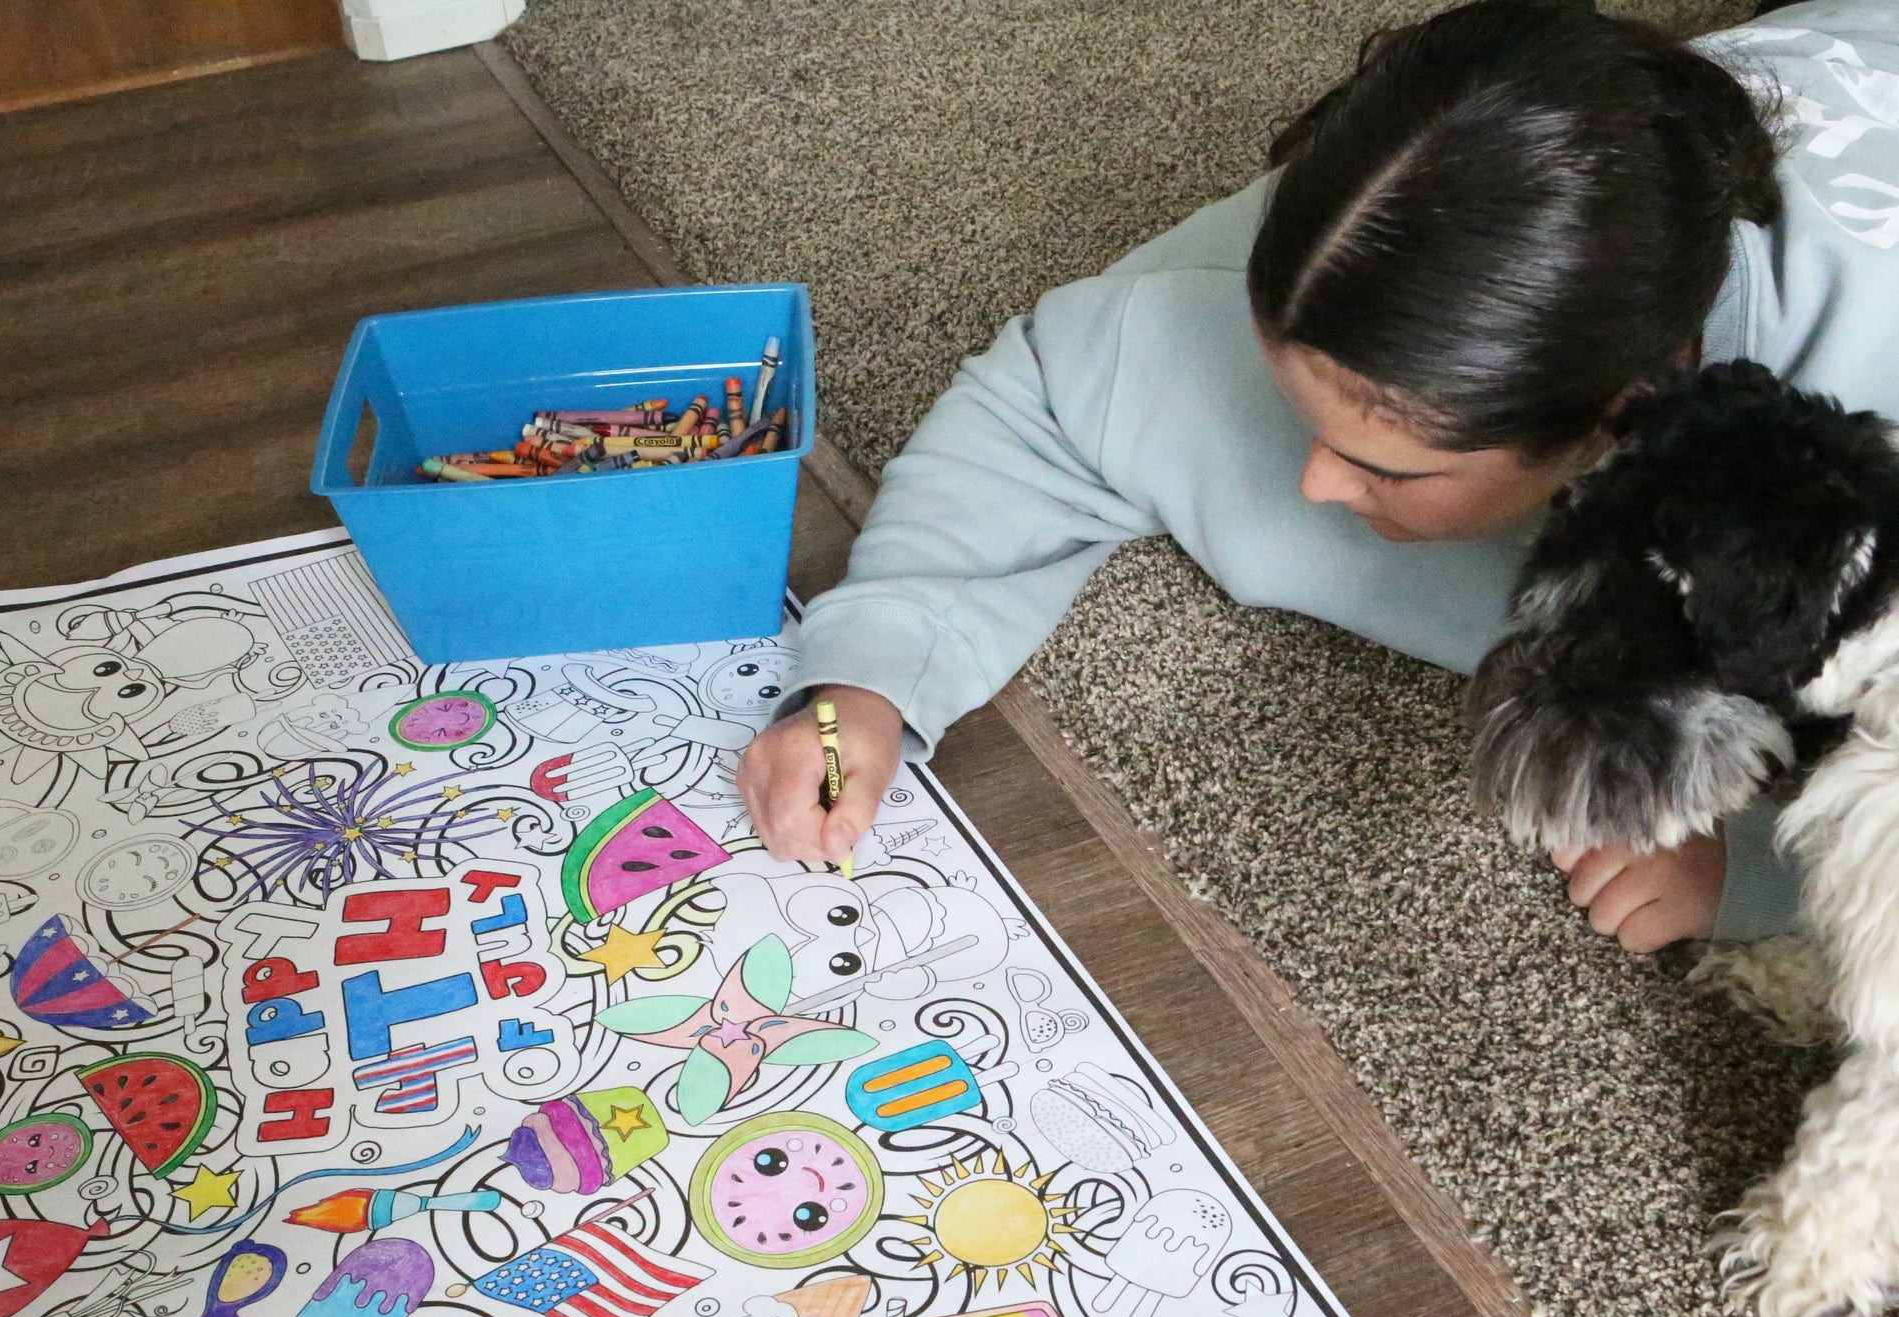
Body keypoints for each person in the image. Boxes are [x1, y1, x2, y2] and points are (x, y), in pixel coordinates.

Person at [737, 0, 1899, 953]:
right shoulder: (1363, 227)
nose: (1311, 485)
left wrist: (1749, 869)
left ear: (1612, 425)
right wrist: (871, 673)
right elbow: (1040, 412)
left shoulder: (1848, 492)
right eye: (1298, 411)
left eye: (1383, 462)